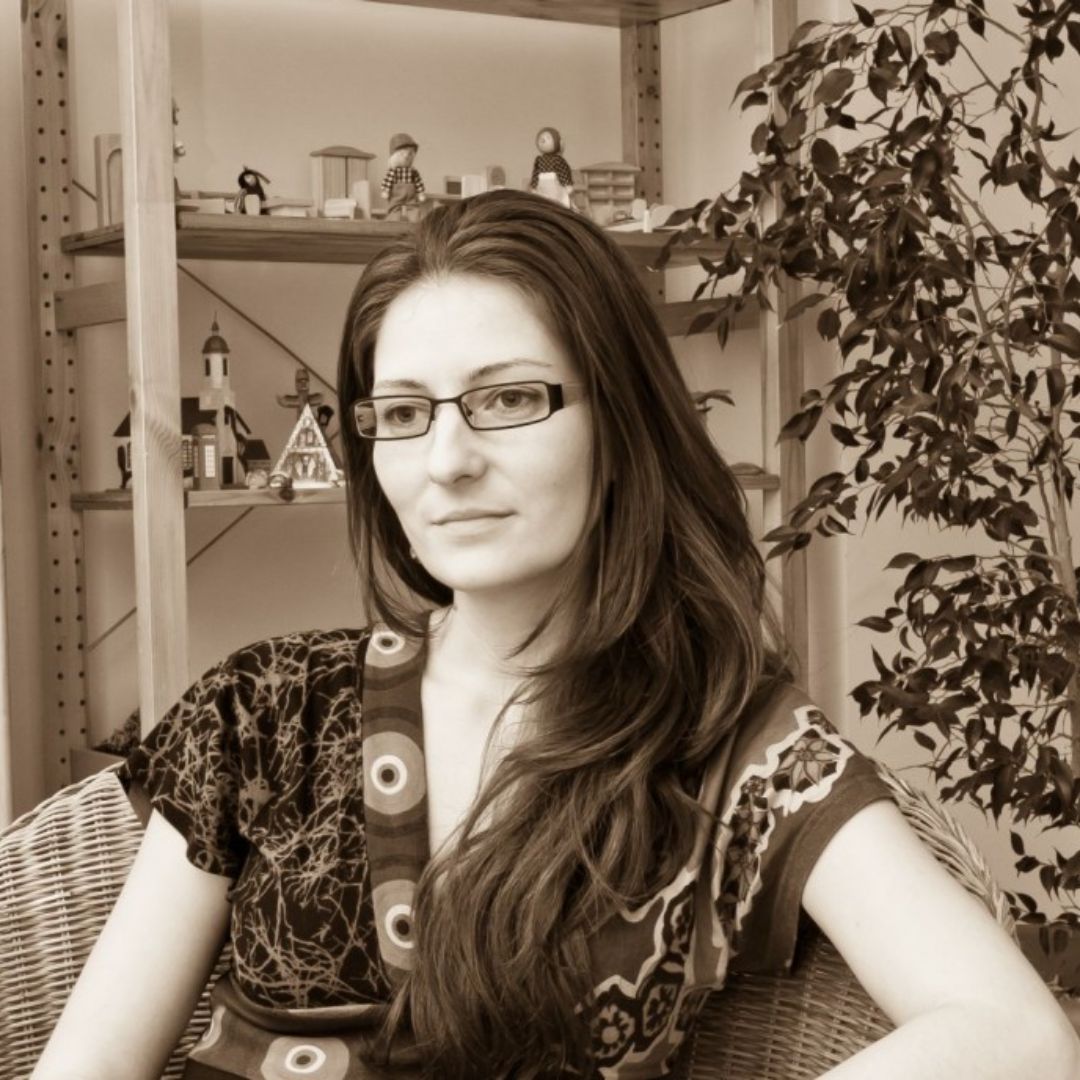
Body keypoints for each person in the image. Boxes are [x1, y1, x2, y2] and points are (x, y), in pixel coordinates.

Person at [32, 190, 1079, 1080]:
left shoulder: (730, 745)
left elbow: (1020, 1035)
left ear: (619, 420)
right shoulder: (268, 705)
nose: (446, 461)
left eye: (506, 398)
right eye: (403, 413)